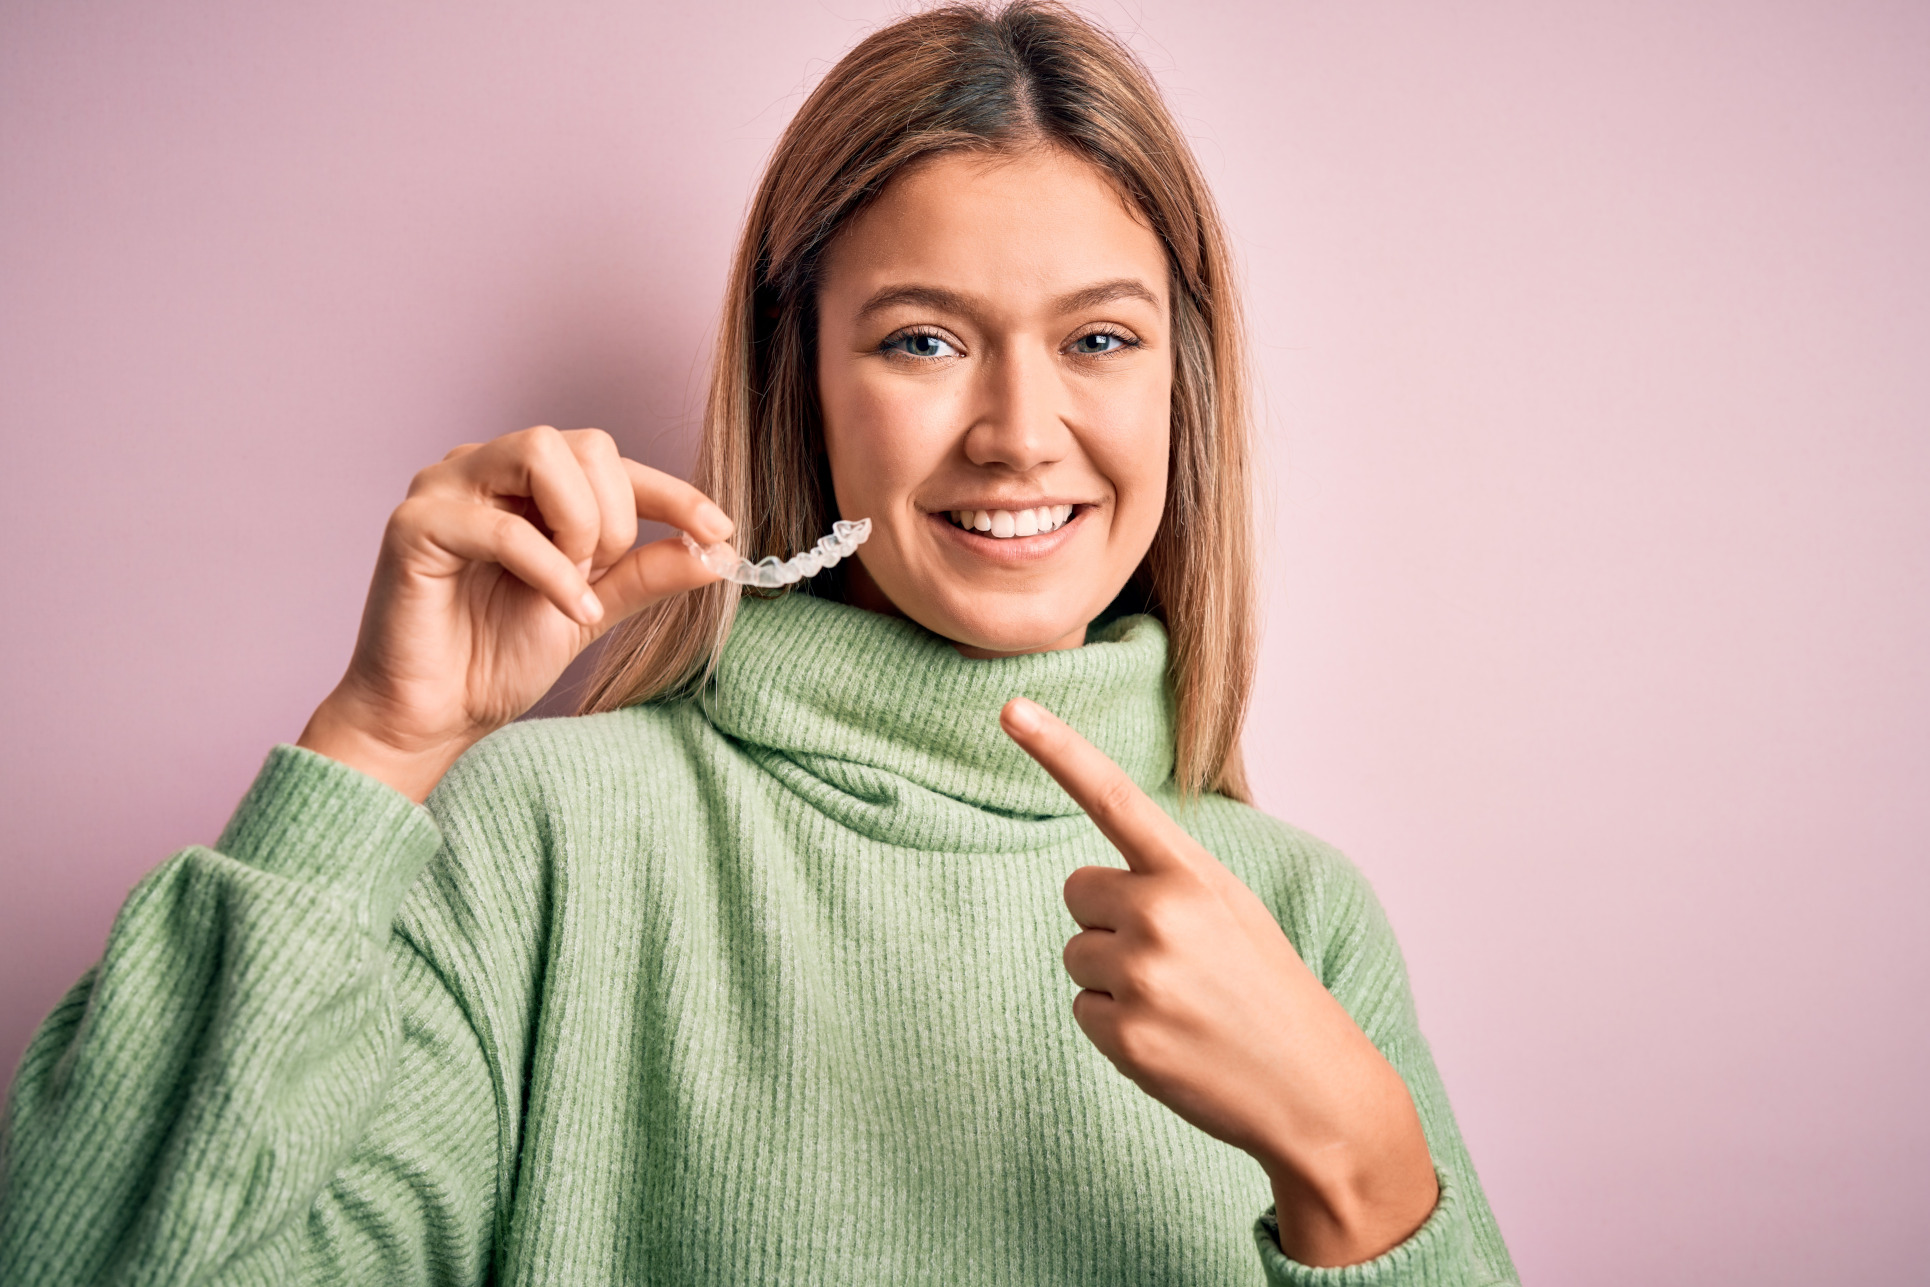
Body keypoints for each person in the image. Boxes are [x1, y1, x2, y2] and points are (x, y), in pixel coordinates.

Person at [0, 3, 1519, 1283]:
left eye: (1098, 340)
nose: (1015, 433)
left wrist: (1363, 1177)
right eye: (921, 339)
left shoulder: (1298, 916)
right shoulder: (549, 840)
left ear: (1179, 381)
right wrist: (380, 744)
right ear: (803, 383)